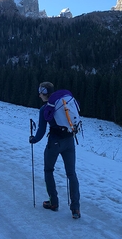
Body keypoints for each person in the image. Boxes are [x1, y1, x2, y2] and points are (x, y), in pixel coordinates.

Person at [29, 81, 81, 219]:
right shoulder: (65, 103)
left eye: (40, 92)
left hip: (55, 142)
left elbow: (41, 131)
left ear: (44, 93)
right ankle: (75, 208)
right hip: (70, 141)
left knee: (48, 170)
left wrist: (33, 139)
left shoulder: (45, 109)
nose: (39, 95)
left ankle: (53, 202)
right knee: (71, 173)